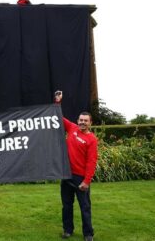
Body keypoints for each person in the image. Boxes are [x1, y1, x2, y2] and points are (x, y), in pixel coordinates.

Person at [55, 91, 98, 241]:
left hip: (81, 178)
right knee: (67, 205)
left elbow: (91, 161)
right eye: (80, 120)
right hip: (66, 175)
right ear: (77, 120)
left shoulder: (91, 139)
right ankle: (68, 230)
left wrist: (86, 181)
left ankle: (88, 234)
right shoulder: (72, 128)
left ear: (90, 123)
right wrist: (58, 102)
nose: (82, 123)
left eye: (85, 121)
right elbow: (57, 117)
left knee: (84, 207)